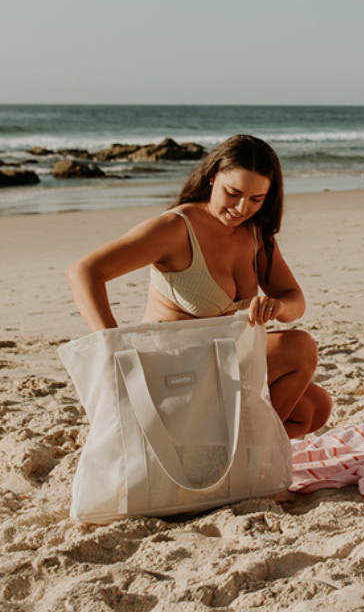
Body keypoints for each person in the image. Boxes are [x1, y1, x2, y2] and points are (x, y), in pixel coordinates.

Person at [67, 134, 332, 438]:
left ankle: (244, 449)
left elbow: (294, 299)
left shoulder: (256, 235)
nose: (242, 208)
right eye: (232, 193)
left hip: (220, 364)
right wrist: (113, 346)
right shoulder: (176, 228)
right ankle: (252, 450)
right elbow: (84, 272)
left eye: (256, 199)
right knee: (298, 348)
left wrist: (278, 306)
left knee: (314, 407)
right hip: (172, 371)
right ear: (211, 177)